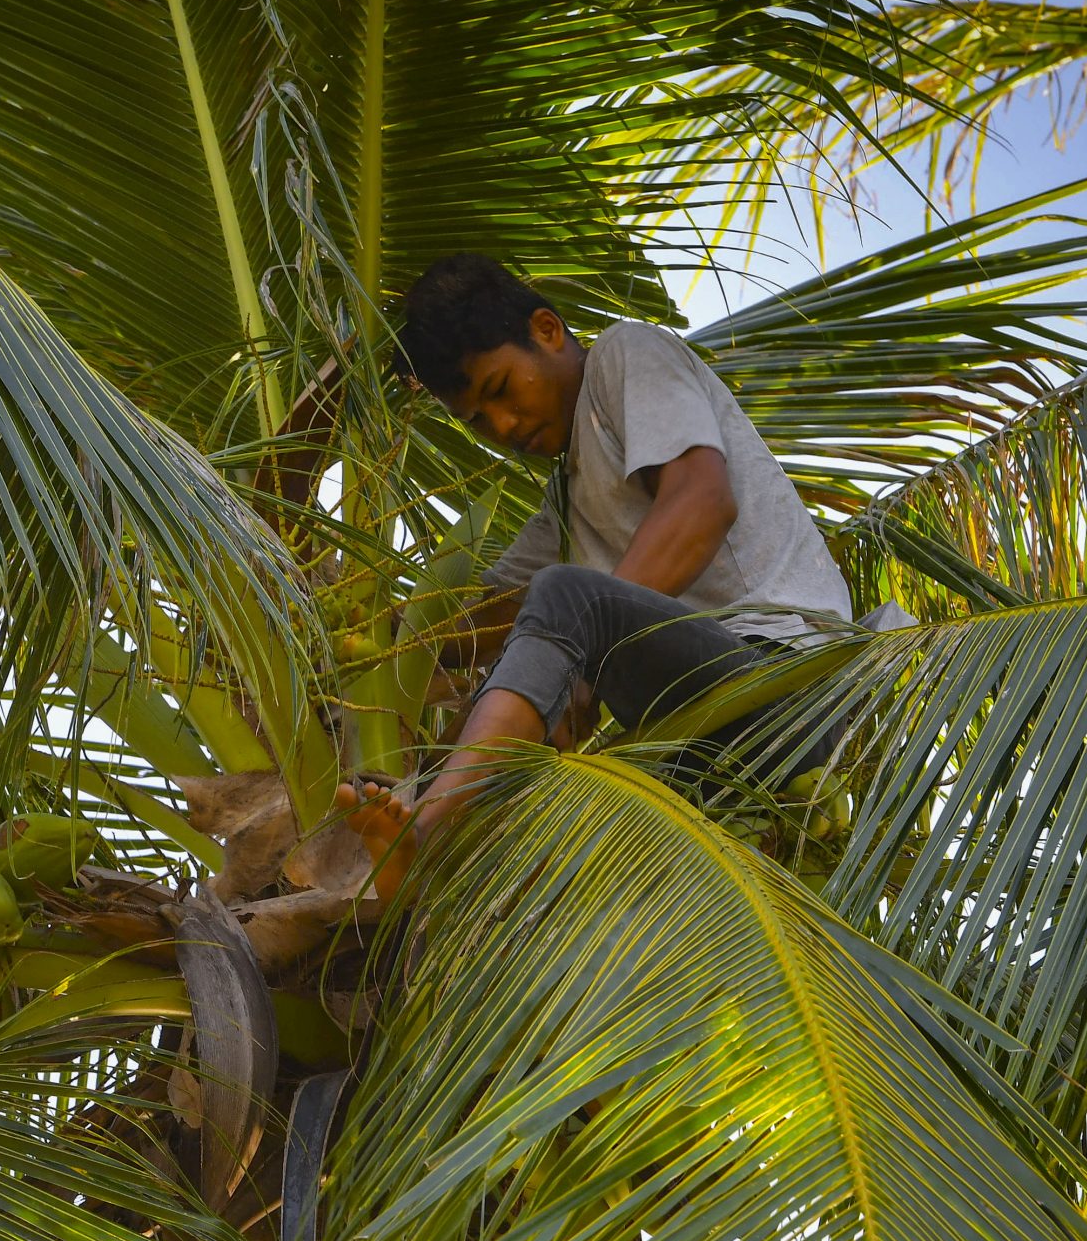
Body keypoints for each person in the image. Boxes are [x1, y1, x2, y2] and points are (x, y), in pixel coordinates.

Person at [336, 254, 854, 899]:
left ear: (548, 331)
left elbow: (701, 502)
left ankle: (431, 831)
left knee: (567, 600)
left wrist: (586, 666)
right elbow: (489, 623)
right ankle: (440, 843)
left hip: (783, 682)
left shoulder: (624, 354)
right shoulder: (566, 499)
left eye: (499, 390)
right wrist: (370, 638)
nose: (501, 427)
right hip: (703, 745)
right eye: (476, 421)